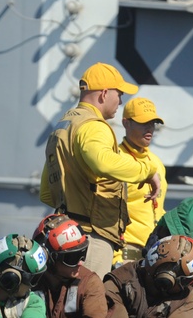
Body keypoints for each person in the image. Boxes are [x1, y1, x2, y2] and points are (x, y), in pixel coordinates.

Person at [39, 62, 161, 278]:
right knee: (90, 305)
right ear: (104, 94)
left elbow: (47, 192)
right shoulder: (94, 126)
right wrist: (148, 170)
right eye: (119, 94)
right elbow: (103, 163)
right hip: (91, 238)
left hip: (65, 233)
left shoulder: (64, 125)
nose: (120, 101)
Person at [32, 214, 111, 318]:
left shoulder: (89, 282)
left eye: (83, 253)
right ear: (49, 258)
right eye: (72, 257)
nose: (81, 262)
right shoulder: (31, 280)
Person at [114, 97, 168, 265]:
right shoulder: (116, 160)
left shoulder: (157, 162)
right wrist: (115, 259)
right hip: (124, 256)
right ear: (126, 123)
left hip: (154, 256)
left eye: (153, 123)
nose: (149, 128)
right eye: (143, 123)